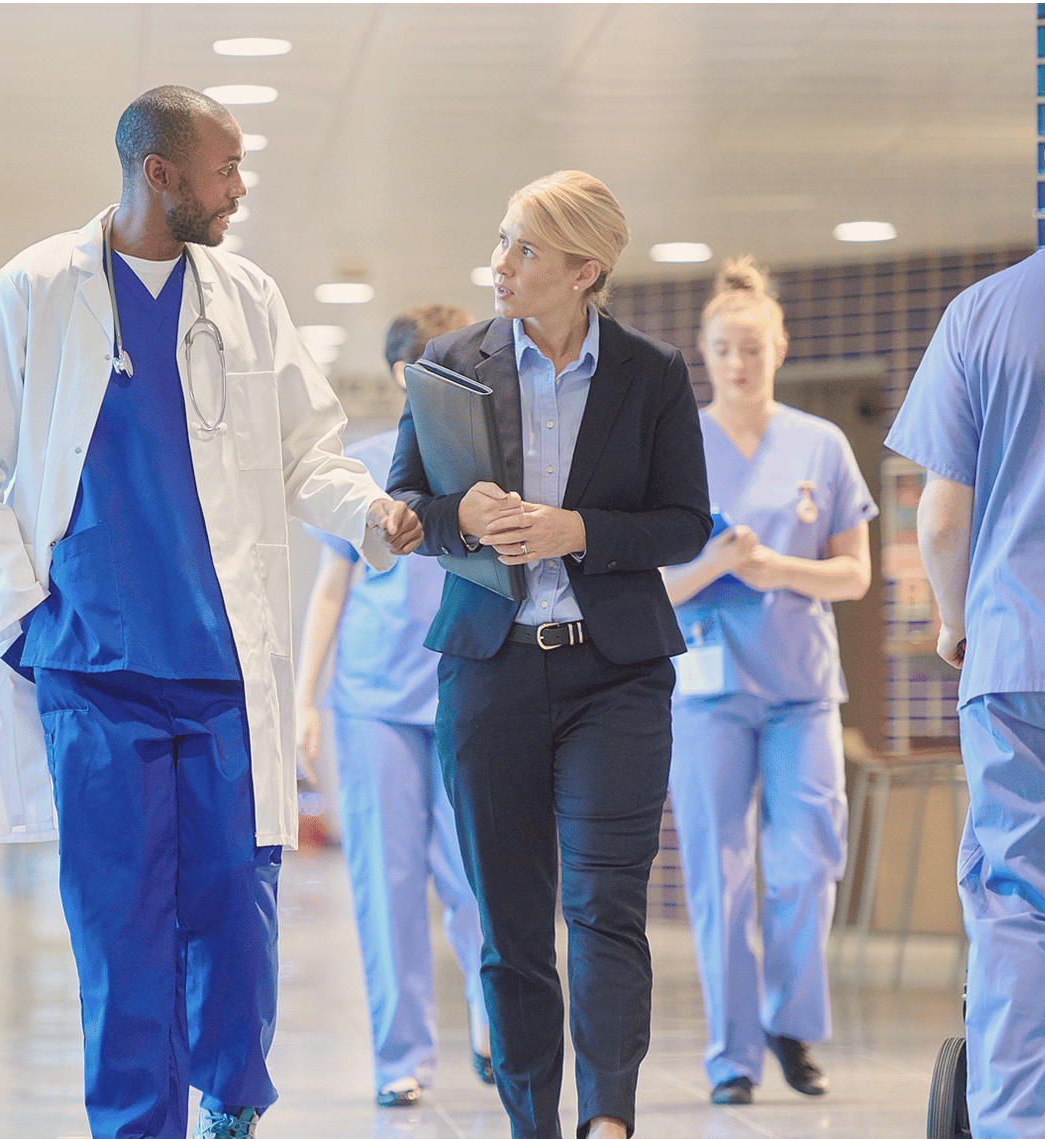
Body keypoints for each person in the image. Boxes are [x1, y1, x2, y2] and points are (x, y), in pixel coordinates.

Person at [0, 85, 422, 1139]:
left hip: (221, 672)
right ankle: (136, 1126)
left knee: (238, 923)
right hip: (92, 672)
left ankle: (231, 1093)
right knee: (123, 932)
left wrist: (374, 512)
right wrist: (23, 617)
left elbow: (308, 454)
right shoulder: (36, 289)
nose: (238, 189)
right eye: (223, 169)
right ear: (159, 173)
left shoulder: (245, 295)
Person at [388, 171, 710, 1139]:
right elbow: (407, 507)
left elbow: (686, 523)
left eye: (523, 250)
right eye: (501, 242)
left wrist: (580, 528)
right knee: (512, 925)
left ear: (585, 268)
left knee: (606, 906)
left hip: (616, 673)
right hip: (490, 670)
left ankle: (608, 1117)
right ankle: (533, 1119)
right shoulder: (449, 363)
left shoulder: (650, 375)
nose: (501, 266)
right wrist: (460, 514)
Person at [884, 70, 1045, 1139]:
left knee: (1027, 913)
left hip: (1020, 661)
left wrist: (959, 620)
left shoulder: (983, 314)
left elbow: (941, 517)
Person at [659, 258, 875, 1106]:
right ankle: (731, 1055)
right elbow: (645, 586)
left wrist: (776, 565)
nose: (738, 362)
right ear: (704, 355)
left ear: (779, 346)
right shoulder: (677, 449)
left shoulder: (820, 444)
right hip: (707, 692)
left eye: (752, 346)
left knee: (806, 863)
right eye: (722, 348)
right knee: (721, 873)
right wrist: (711, 563)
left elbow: (853, 575)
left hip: (801, 689)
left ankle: (791, 1017)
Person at [292, 303, 491, 1108]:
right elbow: (331, 591)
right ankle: (401, 1057)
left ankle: (493, 1021)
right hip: (374, 701)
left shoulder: (489, 464)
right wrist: (305, 699)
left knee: (481, 876)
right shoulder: (364, 467)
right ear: (410, 375)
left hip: (469, 693)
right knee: (388, 879)